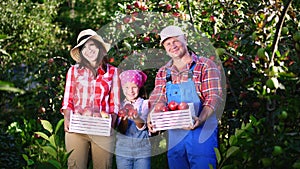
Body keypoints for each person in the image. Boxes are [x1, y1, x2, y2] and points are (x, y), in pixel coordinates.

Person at [147, 25, 223, 169]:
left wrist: (200, 119)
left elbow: (213, 97)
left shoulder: (205, 65)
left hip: (202, 135)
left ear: (185, 39)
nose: (172, 46)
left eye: (175, 40)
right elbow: (158, 98)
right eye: (167, 43)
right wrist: (152, 118)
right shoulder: (164, 72)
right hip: (175, 138)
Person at [60, 29, 120, 169]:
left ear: (99, 47)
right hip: (77, 128)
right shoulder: (73, 71)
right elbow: (67, 100)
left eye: (91, 45)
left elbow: (115, 104)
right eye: (84, 47)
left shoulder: (113, 72)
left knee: (103, 166)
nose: (88, 50)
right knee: (75, 166)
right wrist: (67, 118)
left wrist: (112, 122)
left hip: (102, 128)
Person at [115, 70, 151, 169]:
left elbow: (142, 127)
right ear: (122, 88)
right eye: (126, 87)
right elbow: (122, 130)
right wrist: (124, 119)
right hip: (123, 150)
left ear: (139, 87)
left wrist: (136, 117)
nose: (130, 91)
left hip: (142, 150)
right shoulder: (119, 105)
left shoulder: (145, 104)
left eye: (134, 87)